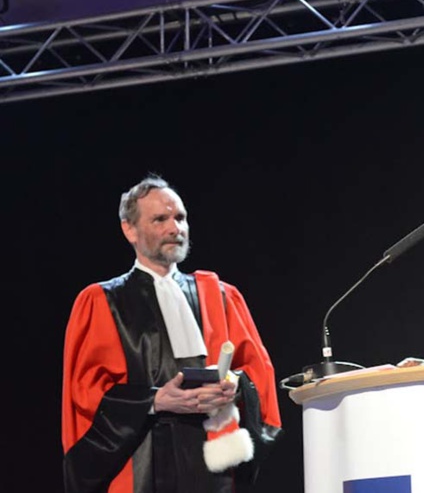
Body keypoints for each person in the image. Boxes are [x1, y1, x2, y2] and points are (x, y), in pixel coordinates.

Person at [61, 175, 282, 493]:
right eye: (160, 219)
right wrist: (156, 400)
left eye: (180, 218)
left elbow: (257, 374)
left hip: (212, 465)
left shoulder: (221, 297)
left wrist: (231, 387)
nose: (174, 228)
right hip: (142, 459)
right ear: (130, 229)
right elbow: (86, 392)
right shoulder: (101, 301)